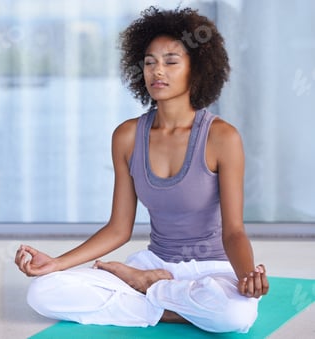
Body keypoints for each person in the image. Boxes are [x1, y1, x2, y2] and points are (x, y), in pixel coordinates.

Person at [14, 6, 269, 333]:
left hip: (212, 269)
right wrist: (57, 263)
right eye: (149, 62)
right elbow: (119, 228)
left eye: (171, 62)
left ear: (198, 69)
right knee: (43, 292)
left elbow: (233, 230)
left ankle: (151, 289)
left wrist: (247, 277)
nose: (157, 71)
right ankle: (170, 299)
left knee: (235, 316)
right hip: (154, 262)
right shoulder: (127, 136)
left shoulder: (222, 138)